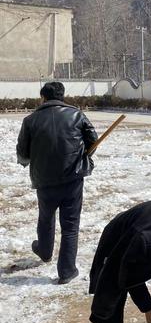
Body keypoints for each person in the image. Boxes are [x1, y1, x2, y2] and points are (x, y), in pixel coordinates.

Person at [16, 81, 97, 284]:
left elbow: (22, 154)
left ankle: (44, 251)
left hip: (44, 180)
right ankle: (67, 271)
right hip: (72, 177)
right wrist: (84, 154)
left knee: (45, 217)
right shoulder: (77, 115)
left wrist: (30, 160)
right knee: (70, 225)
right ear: (62, 96)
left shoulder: (30, 120)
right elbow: (92, 141)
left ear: (43, 97)